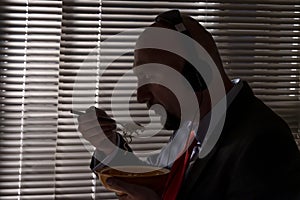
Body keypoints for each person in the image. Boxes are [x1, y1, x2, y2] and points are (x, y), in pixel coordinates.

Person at [77, 10, 300, 200]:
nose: (140, 96)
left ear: (198, 74)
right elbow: (152, 178)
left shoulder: (265, 142)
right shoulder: (191, 124)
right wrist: (108, 145)